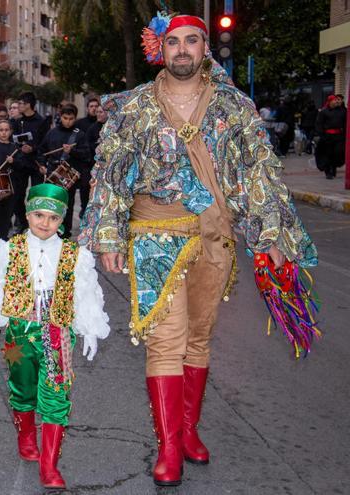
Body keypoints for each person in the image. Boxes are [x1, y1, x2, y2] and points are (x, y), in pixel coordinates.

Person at [81, 13, 317, 487]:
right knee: (165, 341)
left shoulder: (234, 106)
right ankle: (168, 446)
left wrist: (270, 238)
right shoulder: (134, 107)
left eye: (192, 41)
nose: (183, 50)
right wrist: (107, 235)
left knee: (198, 338)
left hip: (216, 233)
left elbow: (259, 175)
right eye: (174, 42)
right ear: (161, 50)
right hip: (153, 232)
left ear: (204, 47)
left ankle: (189, 430)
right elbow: (109, 173)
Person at [0, 182, 110, 489]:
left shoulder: (73, 255)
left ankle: (49, 464)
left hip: (57, 335)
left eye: (53, 218)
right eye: (39, 215)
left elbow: (86, 292)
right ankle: (27, 434)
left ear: (62, 220)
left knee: (57, 397)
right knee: (22, 388)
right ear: (27, 214)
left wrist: (90, 327)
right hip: (18, 334)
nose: (45, 223)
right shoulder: (8, 250)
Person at [38, 103, 90, 239]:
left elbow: (87, 155)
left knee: (68, 204)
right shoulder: (52, 133)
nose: (68, 121)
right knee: (51, 203)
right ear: (60, 117)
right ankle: (50, 231)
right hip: (52, 171)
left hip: (68, 174)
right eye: (65, 118)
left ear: (75, 118)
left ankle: (65, 233)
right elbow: (41, 151)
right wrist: (42, 165)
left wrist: (72, 151)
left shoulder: (80, 135)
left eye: (71, 118)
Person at [10, 91, 49, 232]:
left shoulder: (42, 121)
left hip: (36, 163)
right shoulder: (17, 121)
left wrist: (32, 148)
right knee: (17, 196)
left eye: (20, 103)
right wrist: (20, 148)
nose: (18, 105)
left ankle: (36, 225)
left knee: (36, 196)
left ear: (28, 105)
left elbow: (45, 143)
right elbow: (12, 140)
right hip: (20, 162)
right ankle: (22, 222)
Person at [315, 94, 346, 179]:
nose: (336, 101)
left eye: (337, 100)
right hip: (327, 137)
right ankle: (328, 172)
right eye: (334, 100)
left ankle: (334, 168)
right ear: (330, 101)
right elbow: (319, 124)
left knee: (337, 153)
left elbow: (345, 124)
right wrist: (322, 135)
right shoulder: (324, 112)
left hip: (339, 136)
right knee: (327, 154)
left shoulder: (342, 111)